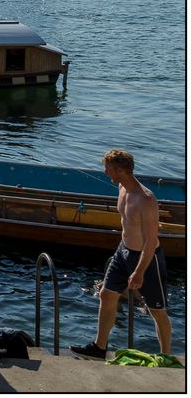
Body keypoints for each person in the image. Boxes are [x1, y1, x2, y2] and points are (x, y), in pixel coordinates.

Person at [70, 149, 171, 359]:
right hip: (123, 251)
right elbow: (127, 225)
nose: (105, 172)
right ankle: (99, 347)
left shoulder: (145, 199)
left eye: (108, 169)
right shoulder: (121, 189)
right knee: (106, 295)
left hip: (146, 257)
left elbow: (151, 241)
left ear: (119, 170)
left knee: (156, 310)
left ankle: (166, 356)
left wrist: (139, 272)